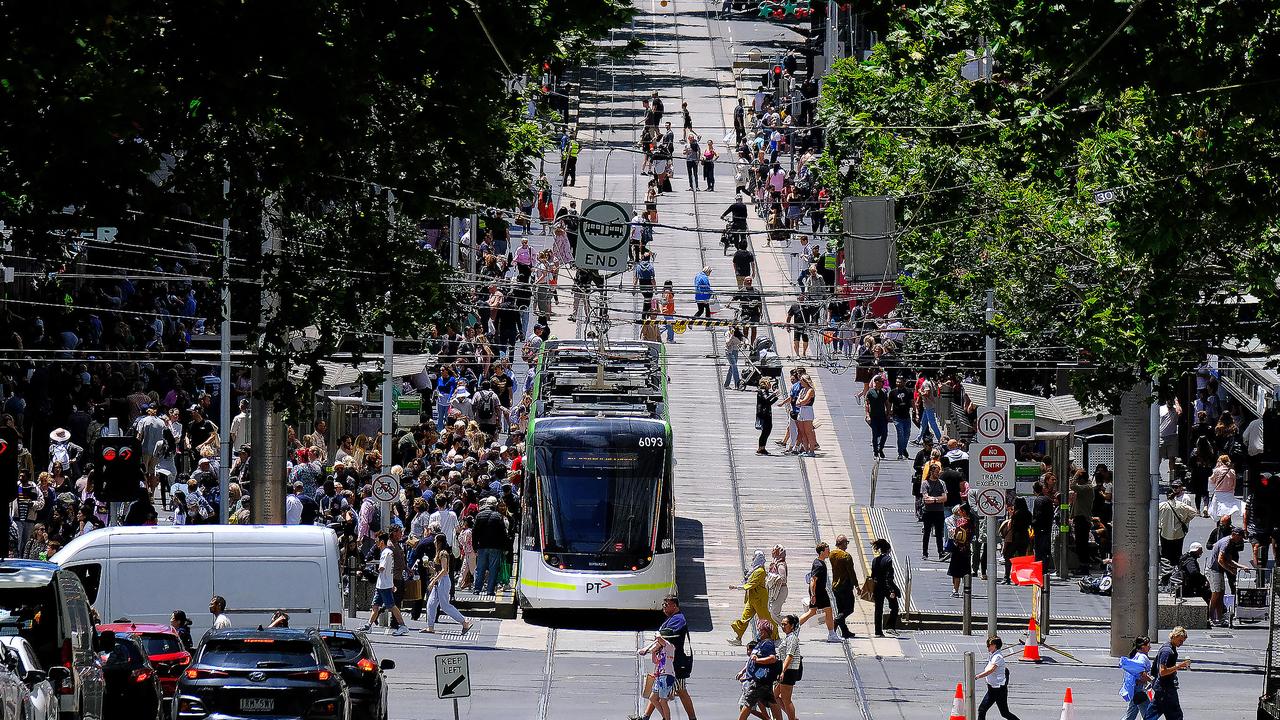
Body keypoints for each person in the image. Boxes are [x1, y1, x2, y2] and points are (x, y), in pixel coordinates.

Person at [632, 595, 697, 720]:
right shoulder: (672, 618)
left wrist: (647, 649)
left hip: (675, 664)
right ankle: (645, 717)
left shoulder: (679, 619)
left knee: (681, 691)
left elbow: (663, 638)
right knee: (656, 692)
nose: (664, 607)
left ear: (675, 605)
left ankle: (692, 718)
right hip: (665, 663)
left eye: (666, 605)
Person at [420, 533, 472, 635]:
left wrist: (433, 580)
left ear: (439, 542)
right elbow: (439, 569)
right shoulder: (438, 553)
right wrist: (430, 567)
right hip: (439, 581)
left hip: (443, 581)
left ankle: (464, 622)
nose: (434, 542)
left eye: (435, 540)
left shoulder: (443, 553)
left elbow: (444, 570)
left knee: (445, 606)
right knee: (430, 604)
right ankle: (430, 627)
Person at [360, 531, 409, 636]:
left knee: (391, 606)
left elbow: (382, 568)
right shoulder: (387, 552)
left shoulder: (386, 553)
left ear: (381, 541)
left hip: (384, 585)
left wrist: (375, 568)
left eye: (377, 540)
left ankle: (402, 625)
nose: (376, 542)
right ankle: (368, 625)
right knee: (375, 605)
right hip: (382, 584)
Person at [729, 550, 778, 644]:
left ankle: (775, 637)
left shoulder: (760, 571)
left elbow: (752, 584)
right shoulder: (755, 570)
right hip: (752, 599)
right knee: (744, 618)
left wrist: (737, 587)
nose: (752, 559)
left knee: (765, 618)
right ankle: (738, 638)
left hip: (759, 599)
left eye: (754, 557)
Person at [797, 542, 839, 643]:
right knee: (825, 611)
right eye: (827, 550)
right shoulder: (819, 565)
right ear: (821, 552)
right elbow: (813, 580)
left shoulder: (818, 562)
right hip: (819, 592)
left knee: (815, 612)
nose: (829, 551)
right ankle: (831, 634)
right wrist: (813, 595)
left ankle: (794, 628)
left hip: (819, 591)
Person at [1208, 526, 1248, 626]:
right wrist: (1230, 570)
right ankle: (1210, 618)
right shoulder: (1225, 543)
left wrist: (1241, 566)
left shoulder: (1231, 543)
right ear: (1234, 535)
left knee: (1221, 593)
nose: (1241, 540)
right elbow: (1220, 560)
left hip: (1219, 570)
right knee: (1216, 594)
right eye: (1240, 537)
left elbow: (1229, 560)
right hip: (1214, 570)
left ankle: (1219, 618)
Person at [974, 636, 1020, 720]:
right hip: (995, 688)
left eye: (989, 645)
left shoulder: (997, 657)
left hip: (997, 689)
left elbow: (991, 670)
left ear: (994, 645)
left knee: (982, 709)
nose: (987, 647)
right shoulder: (993, 655)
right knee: (1004, 713)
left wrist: (978, 676)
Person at [1150, 627, 1191, 720]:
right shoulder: (1167, 651)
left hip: (1163, 688)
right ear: (1174, 636)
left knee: (1151, 715)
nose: (1181, 643)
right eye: (1180, 640)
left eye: (1183, 641)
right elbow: (1163, 672)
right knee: (1175, 716)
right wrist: (1179, 666)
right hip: (1166, 689)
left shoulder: (1170, 648)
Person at [471, 496, 508, 596]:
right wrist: (505, 547)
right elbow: (503, 533)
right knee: (493, 569)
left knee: (480, 568)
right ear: (495, 505)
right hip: (495, 547)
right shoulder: (498, 516)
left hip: (482, 546)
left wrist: (475, 546)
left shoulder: (479, 515)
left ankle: (477, 589)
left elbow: (474, 532)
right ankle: (490, 590)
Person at [640, 628, 678, 720]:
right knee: (653, 698)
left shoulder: (669, 646)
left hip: (667, 676)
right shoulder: (661, 649)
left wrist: (657, 634)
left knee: (663, 700)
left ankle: (667, 718)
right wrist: (653, 651)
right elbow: (655, 661)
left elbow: (659, 638)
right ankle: (665, 717)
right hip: (660, 676)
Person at [1118, 636, 1155, 720]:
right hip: (1139, 690)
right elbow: (1141, 673)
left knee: (1130, 715)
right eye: (1148, 645)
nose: (1150, 647)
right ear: (1143, 646)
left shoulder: (1137, 655)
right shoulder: (1142, 657)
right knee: (1148, 715)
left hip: (1135, 689)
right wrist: (1153, 680)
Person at [774, 615, 803, 720]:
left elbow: (789, 656)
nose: (782, 626)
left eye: (785, 624)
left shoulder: (792, 638)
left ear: (791, 626)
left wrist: (782, 671)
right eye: (782, 624)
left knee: (786, 699)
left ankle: (792, 718)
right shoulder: (787, 637)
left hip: (789, 670)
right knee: (775, 696)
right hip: (785, 670)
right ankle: (793, 718)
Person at [869, 538, 900, 636]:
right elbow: (888, 577)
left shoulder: (874, 560)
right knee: (895, 607)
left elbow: (873, 576)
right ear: (888, 549)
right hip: (886, 587)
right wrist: (891, 590)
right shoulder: (888, 560)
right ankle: (890, 626)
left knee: (878, 609)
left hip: (877, 587)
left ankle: (878, 631)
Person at [829, 535, 857, 639]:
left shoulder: (832, 554)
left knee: (841, 609)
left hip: (835, 586)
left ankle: (844, 631)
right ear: (843, 543)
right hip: (845, 586)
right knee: (849, 609)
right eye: (846, 543)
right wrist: (857, 585)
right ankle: (835, 622)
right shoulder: (846, 556)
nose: (847, 545)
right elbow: (851, 573)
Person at [921, 465, 947, 560]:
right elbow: (926, 499)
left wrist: (934, 499)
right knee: (926, 533)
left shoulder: (942, 483)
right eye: (936, 472)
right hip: (928, 511)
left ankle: (940, 552)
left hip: (939, 511)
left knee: (939, 534)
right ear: (931, 472)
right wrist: (937, 499)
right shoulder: (925, 483)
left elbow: (944, 498)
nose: (938, 473)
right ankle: (925, 552)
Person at [864, 375, 890, 459]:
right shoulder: (870, 392)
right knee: (875, 434)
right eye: (881, 382)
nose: (882, 384)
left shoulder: (883, 392)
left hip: (882, 416)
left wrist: (888, 413)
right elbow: (867, 404)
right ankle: (875, 451)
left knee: (884, 433)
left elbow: (886, 403)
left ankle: (881, 448)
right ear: (876, 382)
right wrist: (867, 415)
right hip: (873, 416)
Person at [888, 376, 913, 460]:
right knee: (900, 434)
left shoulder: (909, 392)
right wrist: (889, 412)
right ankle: (900, 452)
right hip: (897, 417)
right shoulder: (893, 392)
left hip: (906, 417)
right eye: (897, 382)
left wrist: (915, 412)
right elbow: (889, 403)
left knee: (907, 435)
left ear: (904, 382)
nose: (898, 383)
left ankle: (903, 448)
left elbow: (912, 402)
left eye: (900, 382)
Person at [756, 378, 779, 455]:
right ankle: (760, 448)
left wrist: (775, 398)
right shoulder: (762, 391)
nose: (770, 385)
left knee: (766, 431)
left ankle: (762, 447)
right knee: (765, 431)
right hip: (764, 414)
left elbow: (768, 403)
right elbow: (766, 399)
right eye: (769, 383)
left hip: (766, 412)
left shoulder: (764, 391)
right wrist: (774, 394)